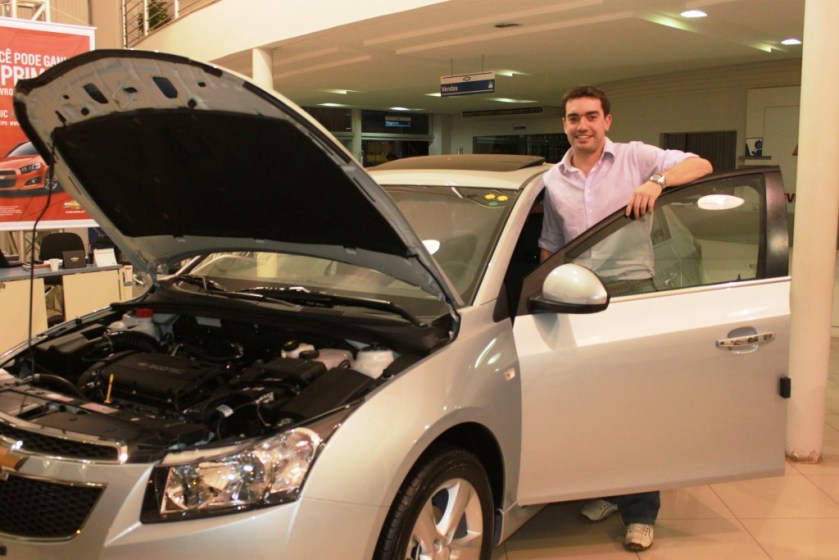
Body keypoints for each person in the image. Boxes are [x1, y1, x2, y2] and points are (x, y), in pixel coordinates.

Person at [538, 84, 713, 551]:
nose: (582, 125)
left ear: (607, 121)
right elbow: (551, 243)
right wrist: (540, 294)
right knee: (591, 404)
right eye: (574, 118)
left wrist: (658, 182)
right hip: (579, 294)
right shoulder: (553, 179)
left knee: (637, 407)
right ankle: (610, 490)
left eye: (591, 116)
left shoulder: (636, 157)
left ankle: (640, 512)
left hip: (633, 292)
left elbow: (701, 165)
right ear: (564, 124)